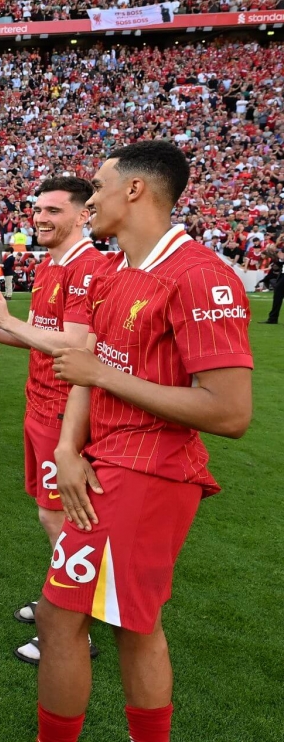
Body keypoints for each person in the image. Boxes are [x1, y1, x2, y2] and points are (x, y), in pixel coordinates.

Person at [35, 141, 253, 742]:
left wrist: (105, 378)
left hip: (151, 470)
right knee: (130, 623)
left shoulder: (201, 275)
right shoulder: (123, 272)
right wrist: (66, 450)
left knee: (62, 617)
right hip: (105, 461)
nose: (91, 202)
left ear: (134, 190)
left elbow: (231, 412)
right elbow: (85, 364)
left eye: (99, 188)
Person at [0, 176, 106, 665]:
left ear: (82, 216)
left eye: (54, 210)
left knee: (65, 519)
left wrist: (4, 320)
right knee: (49, 514)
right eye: (39, 210)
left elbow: (76, 347)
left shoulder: (87, 268)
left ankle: (76, 627)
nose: (42, 218)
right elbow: (40, 337)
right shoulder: (53, 266)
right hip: (39, 406)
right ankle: (60, 600)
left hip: (65, 411)